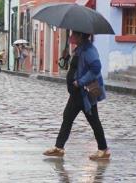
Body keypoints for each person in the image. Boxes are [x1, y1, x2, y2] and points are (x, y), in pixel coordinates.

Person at [43, 31, 110, 160]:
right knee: (68, 117)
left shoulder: (89, 50)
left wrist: (80, 82)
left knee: (93, 120)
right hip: (77, 92)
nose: (71, 35)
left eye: (74, 33)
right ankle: (59, 147)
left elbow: (96, 68)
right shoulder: (80, 48)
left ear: (80, 36)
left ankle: (103, 149)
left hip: (84, 92)